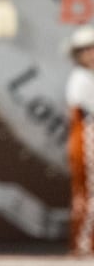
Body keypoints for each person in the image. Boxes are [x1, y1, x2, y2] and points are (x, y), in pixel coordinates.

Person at [64, 25, 94, 256]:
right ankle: (84, 243)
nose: (90, 53)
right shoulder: (79, 78)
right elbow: (79, 113)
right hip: (86, 135)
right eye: (84, 50)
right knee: (88, 193)